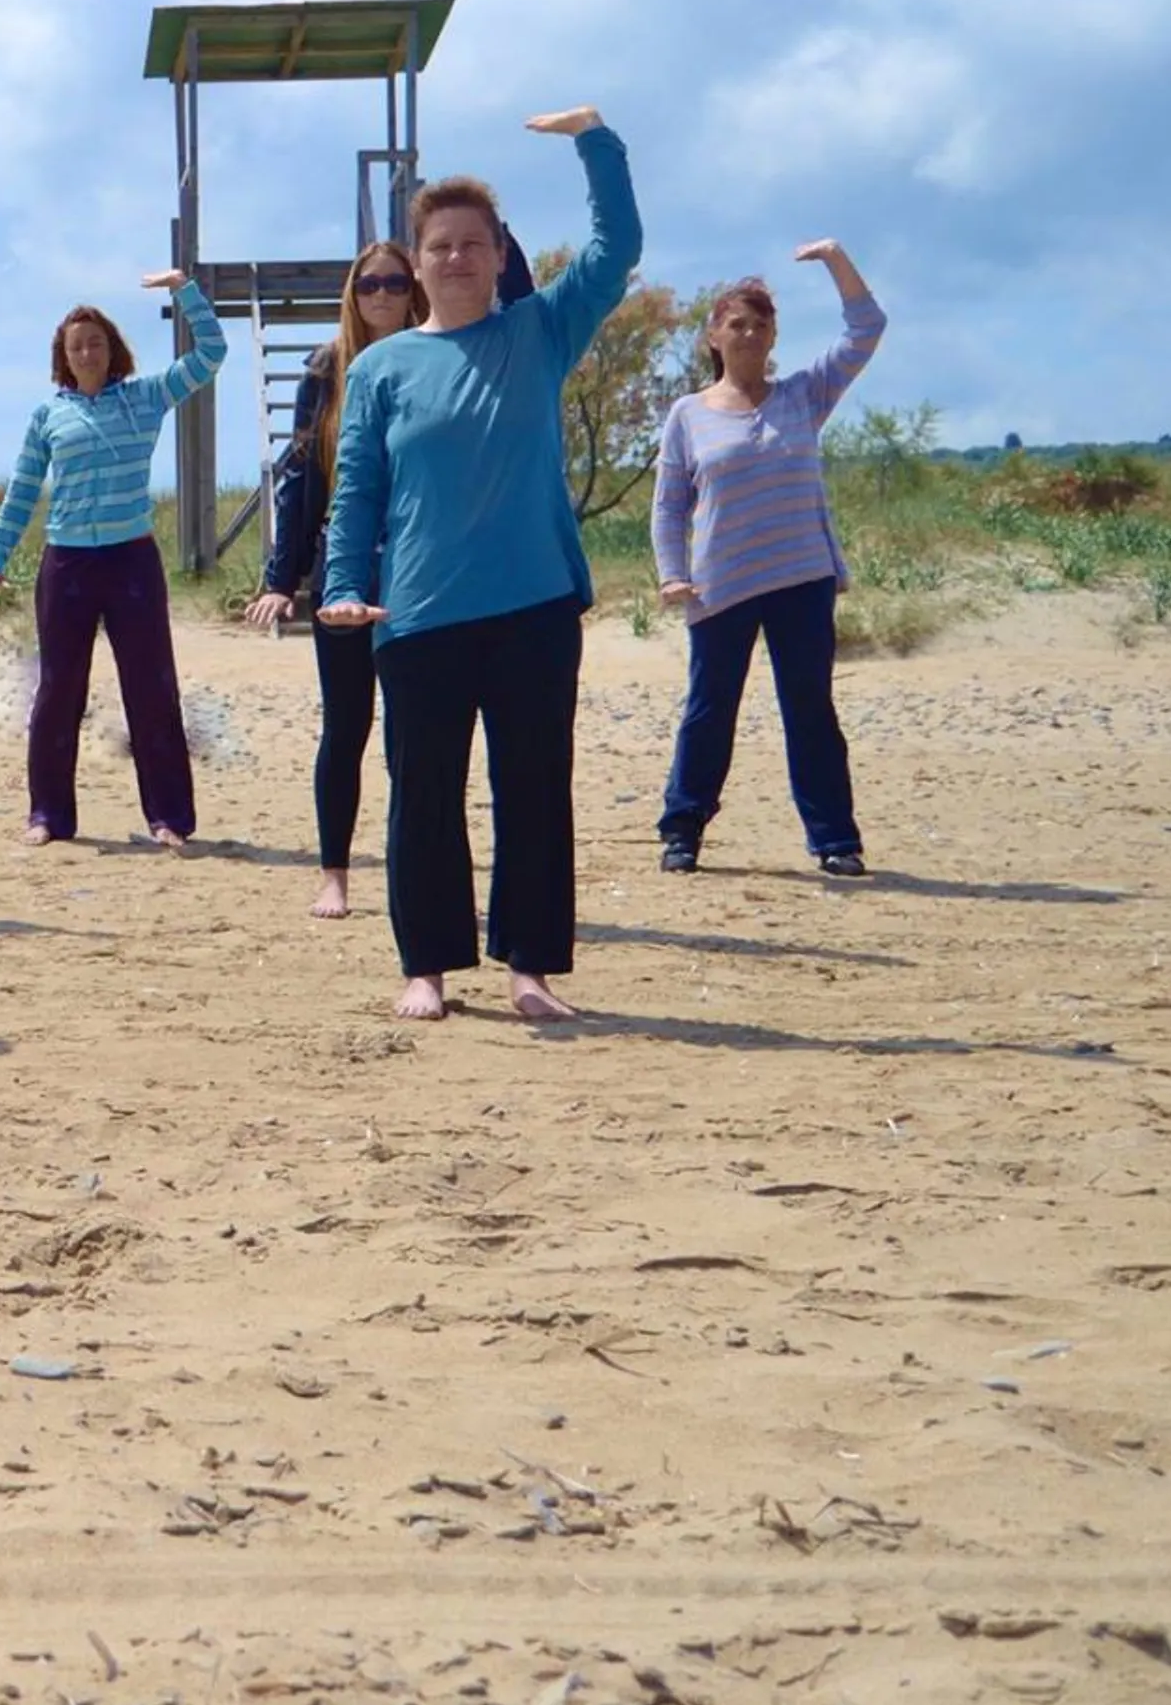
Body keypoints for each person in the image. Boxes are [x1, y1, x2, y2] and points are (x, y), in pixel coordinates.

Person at [318, 107, 642, 1023]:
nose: (456, 256)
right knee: (423, 795)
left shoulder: (541, 331)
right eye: (440, 245)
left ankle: (530, 970)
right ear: (416, 263)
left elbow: (617, 250)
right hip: (419, 614)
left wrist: (596, 141)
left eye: (473, 243)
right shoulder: (381, 370)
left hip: (534, 606)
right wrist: (342, 585)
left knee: (533, 790)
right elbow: (358, 490)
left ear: (501, 255)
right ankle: (425, 968)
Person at [250, 229, 538, 914]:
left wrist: (484, 227)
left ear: (415, 289)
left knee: (415, 736)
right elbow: (301, 480)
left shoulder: (442, 355)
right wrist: (282, 578)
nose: (381, 294)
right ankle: (334, 873)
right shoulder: (327, 369)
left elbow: (519, 301)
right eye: (368, 283)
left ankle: (418, 877)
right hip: (347, 570)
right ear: (352, 295)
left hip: (422, 569)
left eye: (394, 282)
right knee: (345, 725)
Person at [651, 241, 888, 876]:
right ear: (714, 335)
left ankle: (835, 839)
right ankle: (682, 829)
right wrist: (672, 573)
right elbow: (670, 505)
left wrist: (836, 260)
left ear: (774, 334)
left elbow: (866, 329)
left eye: (761, 324)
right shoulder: (688, 415)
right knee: (709, 710)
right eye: (737, 323)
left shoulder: (803, 395)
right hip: (720, 585)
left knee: (810, 707)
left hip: (800, 577)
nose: (750, 334)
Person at [0, 271, 225, 848]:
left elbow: (212, 354)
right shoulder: (48, 416)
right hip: (67, 566)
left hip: (132, 562)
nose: (86, 353)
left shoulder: (145, 397)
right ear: (63, 357)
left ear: (113, 350)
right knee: (59, 691)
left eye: (96, 343)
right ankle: (48, 816)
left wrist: (184, 290)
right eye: (76, 346)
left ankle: (169, 818)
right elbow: (22, 489)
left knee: (151, 689)